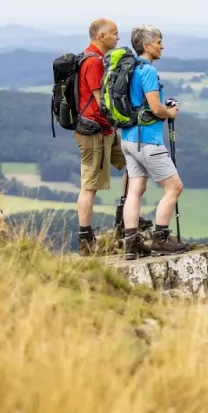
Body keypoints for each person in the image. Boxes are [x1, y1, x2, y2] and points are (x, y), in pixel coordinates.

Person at [120, 24, 187, 258]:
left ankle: (131, 242)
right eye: (159, 42)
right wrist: (170, 112)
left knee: (135, 190)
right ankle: (161, 238)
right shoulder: (147, 71)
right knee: (174, 187)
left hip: (128, 138)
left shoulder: (129, 70)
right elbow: (155, 107)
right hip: (148, 140)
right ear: (147, 46)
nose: (162, 46)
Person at [75, 18, 126, 254]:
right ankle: (85, 239)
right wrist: (120, 120)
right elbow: (101, 101)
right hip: (95, 132)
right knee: (89, 186)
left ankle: (125, 218)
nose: (118, 37)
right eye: (115, 34)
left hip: (104, 130)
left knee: (135, 164)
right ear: (102, 36)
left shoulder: (90, 57)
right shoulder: (94, 62)